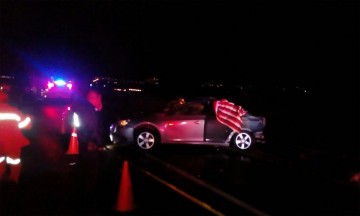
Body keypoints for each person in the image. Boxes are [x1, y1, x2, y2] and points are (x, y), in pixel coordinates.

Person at [0, 90, 32, 183]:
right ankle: (13, 180)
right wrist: (28, 118)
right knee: (14, 161)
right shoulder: (14, 111)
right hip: (13, 141)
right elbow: (26, 125)